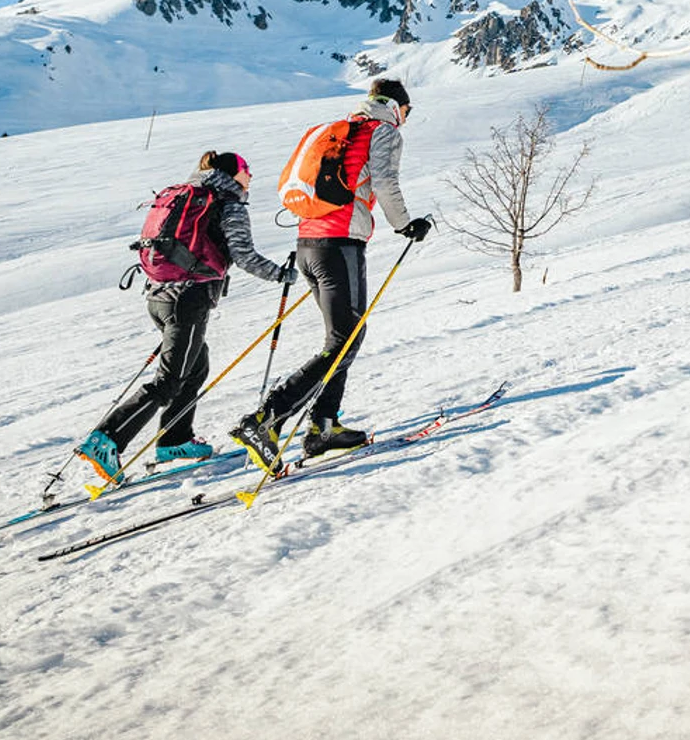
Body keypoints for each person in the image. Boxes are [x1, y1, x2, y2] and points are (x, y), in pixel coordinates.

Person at [233, 77, 432, 471]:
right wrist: (406, 225)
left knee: (340, 339)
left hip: (309, 244)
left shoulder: (340, 131)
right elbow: (386, 182)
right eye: (407, 112)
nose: (406, 120)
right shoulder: (382, 131)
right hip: (340, 245)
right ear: (396, 107)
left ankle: (323, 426)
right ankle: (266, 419)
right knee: (346, 339)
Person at [76, 151, 293, 483]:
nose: (250, 176)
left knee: (195, 367)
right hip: (188, 300)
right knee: (169, 380)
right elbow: (244, 255)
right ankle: (107, 439)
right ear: (232, 174)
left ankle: (175, 440)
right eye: (246, 170)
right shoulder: (228, 203)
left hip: (159, 296)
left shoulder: (186, 194)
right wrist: (279, 274)